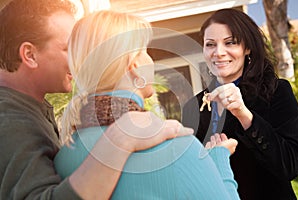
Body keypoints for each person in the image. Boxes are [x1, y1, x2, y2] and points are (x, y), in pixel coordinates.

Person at [0, 0, 194, 199]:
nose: (80, 60)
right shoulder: (9, 119)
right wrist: (120, 140)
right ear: (30, 55)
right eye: (69, 49)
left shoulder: (27, 108)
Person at [54, 10, 241, 200]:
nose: (151, 61)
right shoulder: (178, 147)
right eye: (146, 52)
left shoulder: (63, 157)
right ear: (135, 67)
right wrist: (219, 159)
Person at [182, 8, 298, 200]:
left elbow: (291, 166)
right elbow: (189, 177)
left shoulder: (276, 91)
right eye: (210, 44)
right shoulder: (193, 107)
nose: (218, 52)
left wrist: (245, 115)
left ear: (247, 48)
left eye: (230, 43)